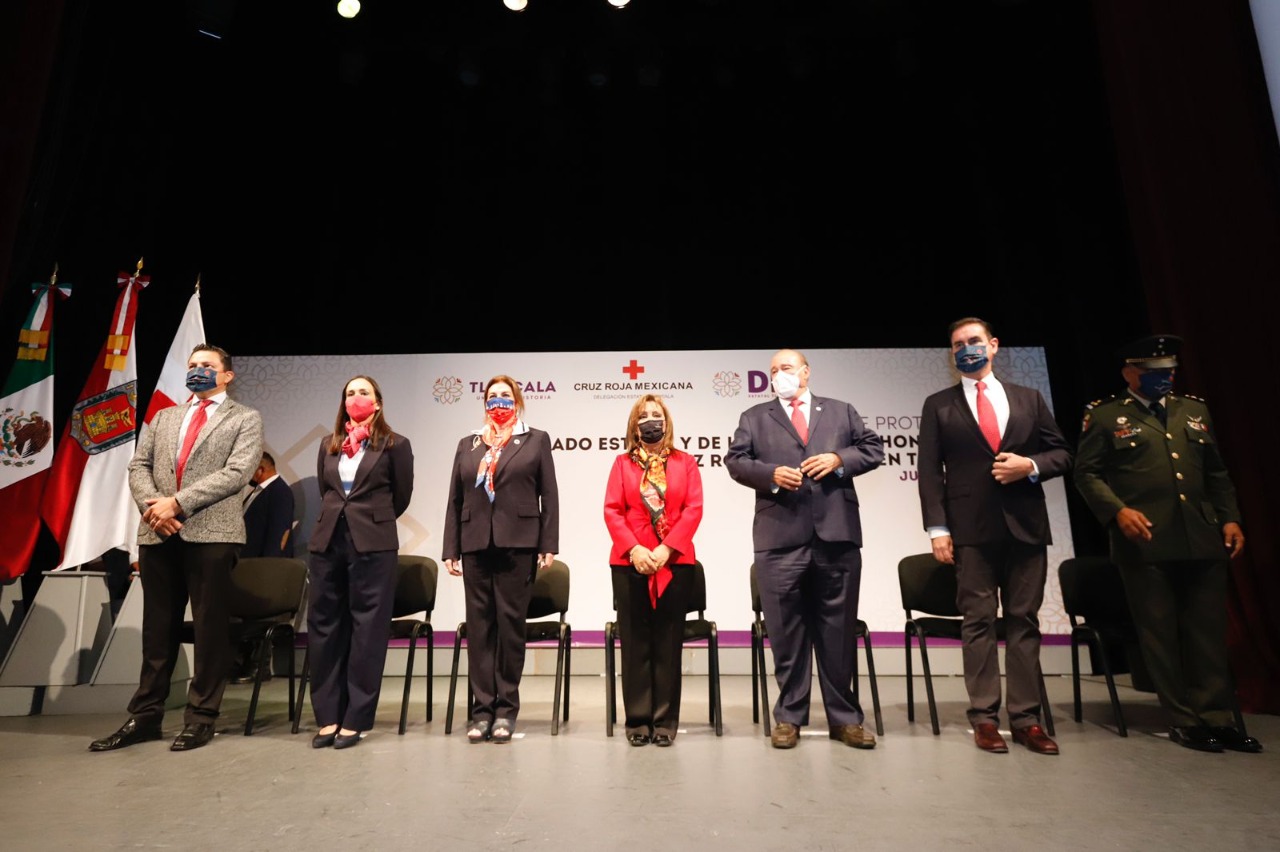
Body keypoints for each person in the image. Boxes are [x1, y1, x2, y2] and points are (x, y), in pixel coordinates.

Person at [1073, 334, 1259, 753]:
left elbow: (1215, 473)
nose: (1166, 377)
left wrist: (1230, 518)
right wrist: (1118, 511)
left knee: (1208, 632)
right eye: (1156, 372)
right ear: (1130, 373)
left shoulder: (1193, 410)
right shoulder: (1104, 417)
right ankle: (1183, 719)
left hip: (1200, 535)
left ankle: (1218, 717)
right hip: (1146, 541)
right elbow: (1087, 474)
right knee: (1159, 633)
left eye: (1170, 370)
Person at [90, 344, 263, 752]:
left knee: (208, 629)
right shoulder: (165, 416)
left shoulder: (245, 418)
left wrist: (178, 502)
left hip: (213, 534)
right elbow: (138, 466)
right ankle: (145, 716)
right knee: (158, 630)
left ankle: (201, 718)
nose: (198, 371)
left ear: (227, 375)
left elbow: (238, 472)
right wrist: (155, 507)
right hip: (158, 532)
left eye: (207, 366)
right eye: (192, 366)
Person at [916, 317, 1072, 755]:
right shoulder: (939, 405)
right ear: (951, 353)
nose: (967, 349)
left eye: (974, 341)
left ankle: (1027, 719)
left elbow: (1062, 452)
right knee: (978, 621)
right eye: (958, 344)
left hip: (1025, 527)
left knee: (1024, 621)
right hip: (970, 531)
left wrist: (1032, 466)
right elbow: (929, 472)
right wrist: (938, 529)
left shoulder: (1029, 398)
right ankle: (984, 718)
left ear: (994, 345)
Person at [725, 348, 884, 750]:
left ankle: (844, 719)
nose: (781, 374)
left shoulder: (841, 411)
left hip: (837, 536)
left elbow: (873, 449)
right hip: (779, 540)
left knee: (837, 632)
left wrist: (837, 458)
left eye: (788, 368)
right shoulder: (755, 418)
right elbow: (736, 461)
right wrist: (770, 475)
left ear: (806, 373)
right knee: (786, 634)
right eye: (774, 370)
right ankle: (789, 718)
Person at [442, 375, 559, 744]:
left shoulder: (535, 440)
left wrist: (548, 543)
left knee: (509, 629)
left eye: (505, 397)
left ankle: (506, 710)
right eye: (493, 397)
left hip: (518, 544)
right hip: (475, 543)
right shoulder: (468, 443)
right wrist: (451, 547)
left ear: (518, 402)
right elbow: (455, 500)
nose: (499, 402)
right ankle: (481, 712)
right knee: (479, 631)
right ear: (484, 403)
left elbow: (549, 496)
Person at [306, 375, 414, 750]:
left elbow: (401, 496)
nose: (356, 398)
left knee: (367, 631)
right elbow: (327, 493)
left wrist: (369, 519)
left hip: (373, 543)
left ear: (378, 402)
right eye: (350, 393)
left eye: (363, 392)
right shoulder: (328, 444)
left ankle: (356, 718)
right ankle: (328, 716)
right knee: (325, 628)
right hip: (327, 542)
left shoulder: (395, 445)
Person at [603, 394, 704, 747]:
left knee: (667, 644)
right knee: (634, 646)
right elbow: (612, 510)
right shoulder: (621, 464)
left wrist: (665, 548)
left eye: (656, 415)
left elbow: (693, 509)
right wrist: (634, 549)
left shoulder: (686, 462)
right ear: (634, 425)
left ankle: (663, 723)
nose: (650, 420)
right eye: (643, 415)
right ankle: (637, 723)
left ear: (667, 422)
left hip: (674, 562)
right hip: (629, 562)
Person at [229, 450, 297, 683]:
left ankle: (259, 667)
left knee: (263, 620)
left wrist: (269, 569)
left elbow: (280, 535)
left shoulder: (279, 492)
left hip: (264, 569)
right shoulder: (257, 493)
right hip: (248, 567)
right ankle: (241, 664)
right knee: (246, 620)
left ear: (260, 469)